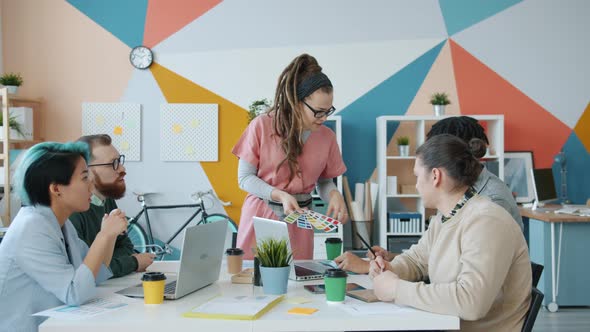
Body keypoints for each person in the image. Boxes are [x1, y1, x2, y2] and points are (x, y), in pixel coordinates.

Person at [370, 134, 531, 331]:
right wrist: (389, 269)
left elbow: (472, 302)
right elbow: (418, 260)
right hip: (446, 324)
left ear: (436, 176)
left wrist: (396, 288)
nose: (417, 184)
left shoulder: (487, 221)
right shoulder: (445, 216)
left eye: (417, 176)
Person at [336, 115, 523, 273]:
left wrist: (374, 270)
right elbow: (434, 256)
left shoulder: (491, 204)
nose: (418, 185)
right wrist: (391, 260)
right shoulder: (455, 197)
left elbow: (465, 278)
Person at [0, 142, 128, 331]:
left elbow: (96, 273)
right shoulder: (31, 229)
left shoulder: (60, 223)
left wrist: (109, 237)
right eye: (85, 178)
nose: (91, 186)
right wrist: (103, 235)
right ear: (56, 189)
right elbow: (75, 293)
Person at [232, 54, 348, 259]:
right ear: (297, 102)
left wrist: (334, 194)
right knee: (254, 283)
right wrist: (280, 195)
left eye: (328, 110)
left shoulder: (327, 137)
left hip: (300, 222)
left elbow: (324, 181)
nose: (324, 118)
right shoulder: (262, 125)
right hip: (262, 218)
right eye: (319, 112)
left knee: (299, 285)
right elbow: (245, 178)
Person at [70, 134, 155, 277]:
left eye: (120, 161)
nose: (122, 169)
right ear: (86, 170)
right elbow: (85, 270)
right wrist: (133, 262)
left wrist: (108, 262)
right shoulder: (72, 212)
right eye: (113, 163)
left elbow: (126, 246)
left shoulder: (106, 199)